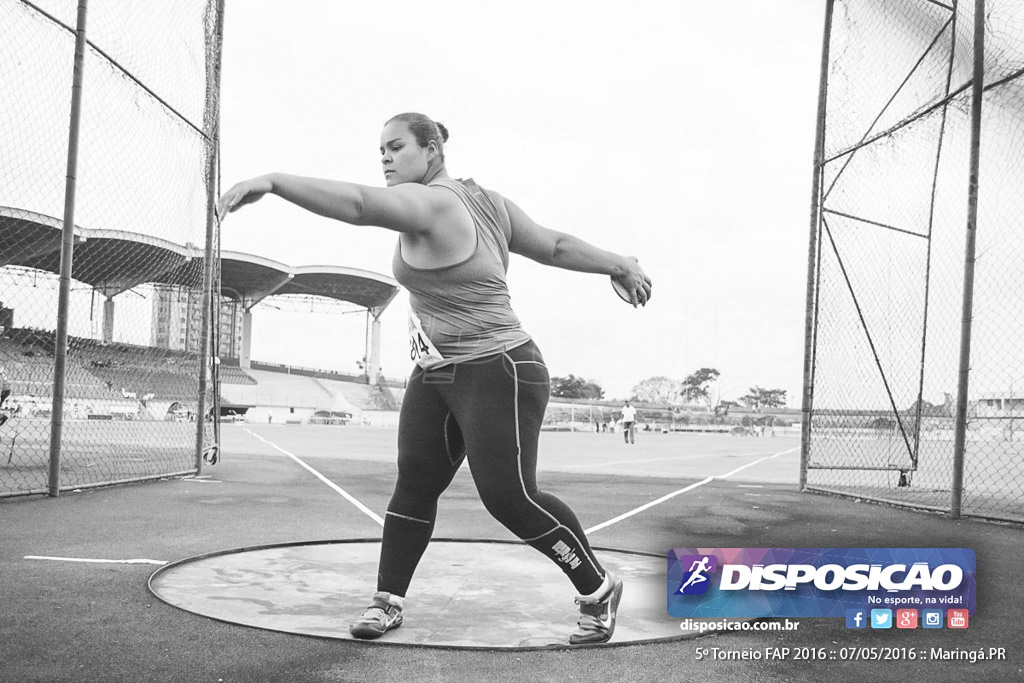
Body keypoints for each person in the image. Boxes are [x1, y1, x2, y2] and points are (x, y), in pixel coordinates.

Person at [217, 112, 652, 645]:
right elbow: (555, 246)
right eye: (380, 149)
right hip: (437, 373)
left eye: (396, 147)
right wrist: (618, 264)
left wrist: (273, 181)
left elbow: (358, 206)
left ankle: (596, 588)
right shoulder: (488, 202)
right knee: (415, 483)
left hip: (499, 367)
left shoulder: (435, 203)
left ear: (431, 151)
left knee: (509, 497)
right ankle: (386, 600)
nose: (385, 158)